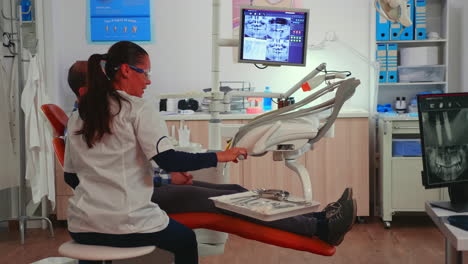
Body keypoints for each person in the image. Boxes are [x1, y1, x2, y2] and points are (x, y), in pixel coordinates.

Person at [64, 42, 355, 263]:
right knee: (191, 234)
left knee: (230, 192)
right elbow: (169, 159)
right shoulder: (136, 108)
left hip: (83, 225)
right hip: (125, 221)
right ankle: (321, 227)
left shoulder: (80, 116)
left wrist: (131, 185)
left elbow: (73, 178)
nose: (149, 81)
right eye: (146, 73)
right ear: (126, 70)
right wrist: (220, 156)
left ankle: (318, 222)